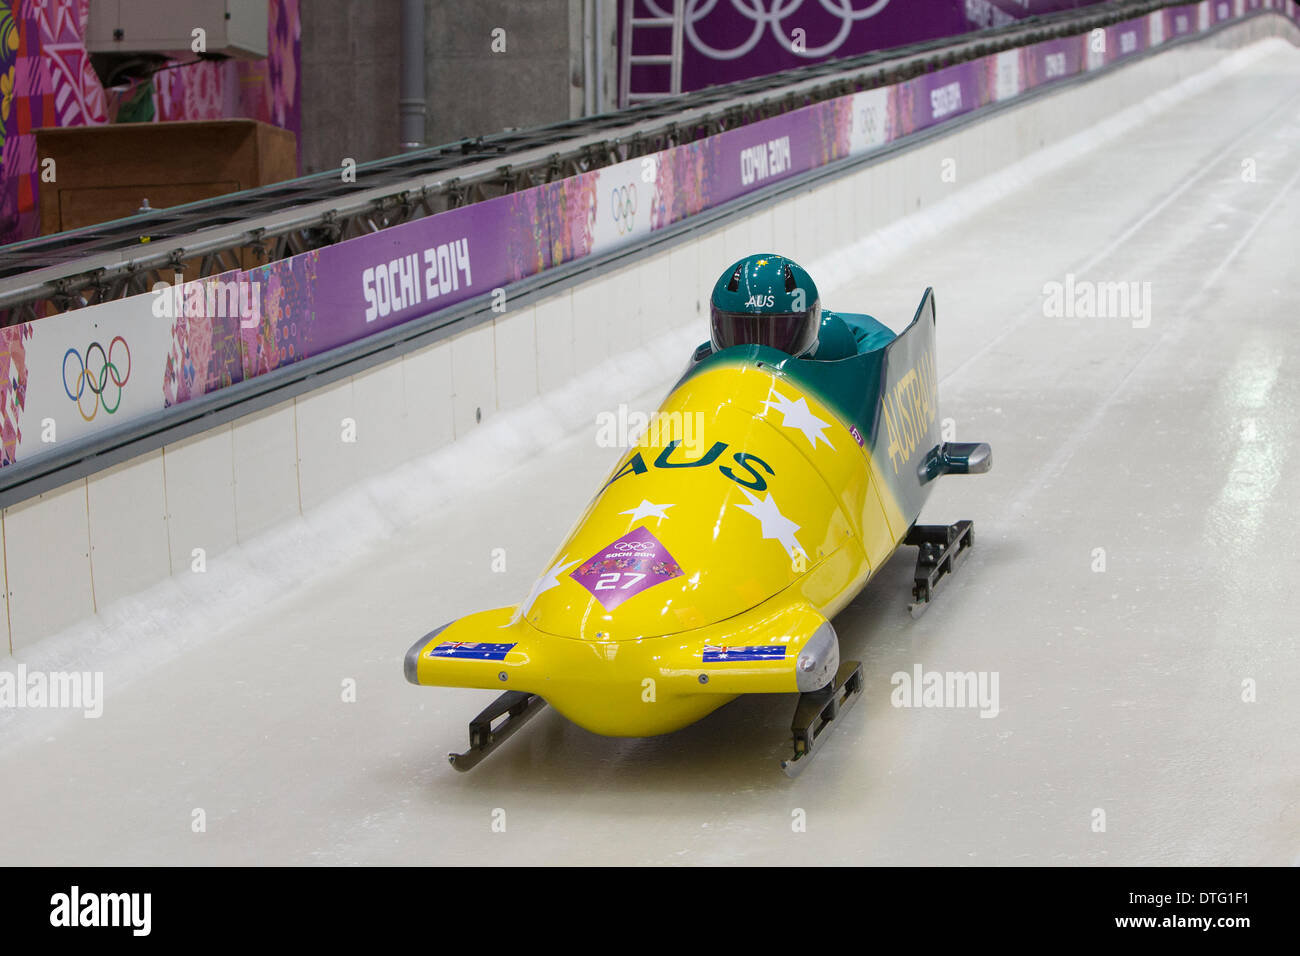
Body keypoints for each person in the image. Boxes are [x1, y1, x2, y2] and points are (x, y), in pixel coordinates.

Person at [707, 254, 894, 360]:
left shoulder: (837, 348)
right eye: (741, 332)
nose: (759, 355)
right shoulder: (705, 368)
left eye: (778, 333)